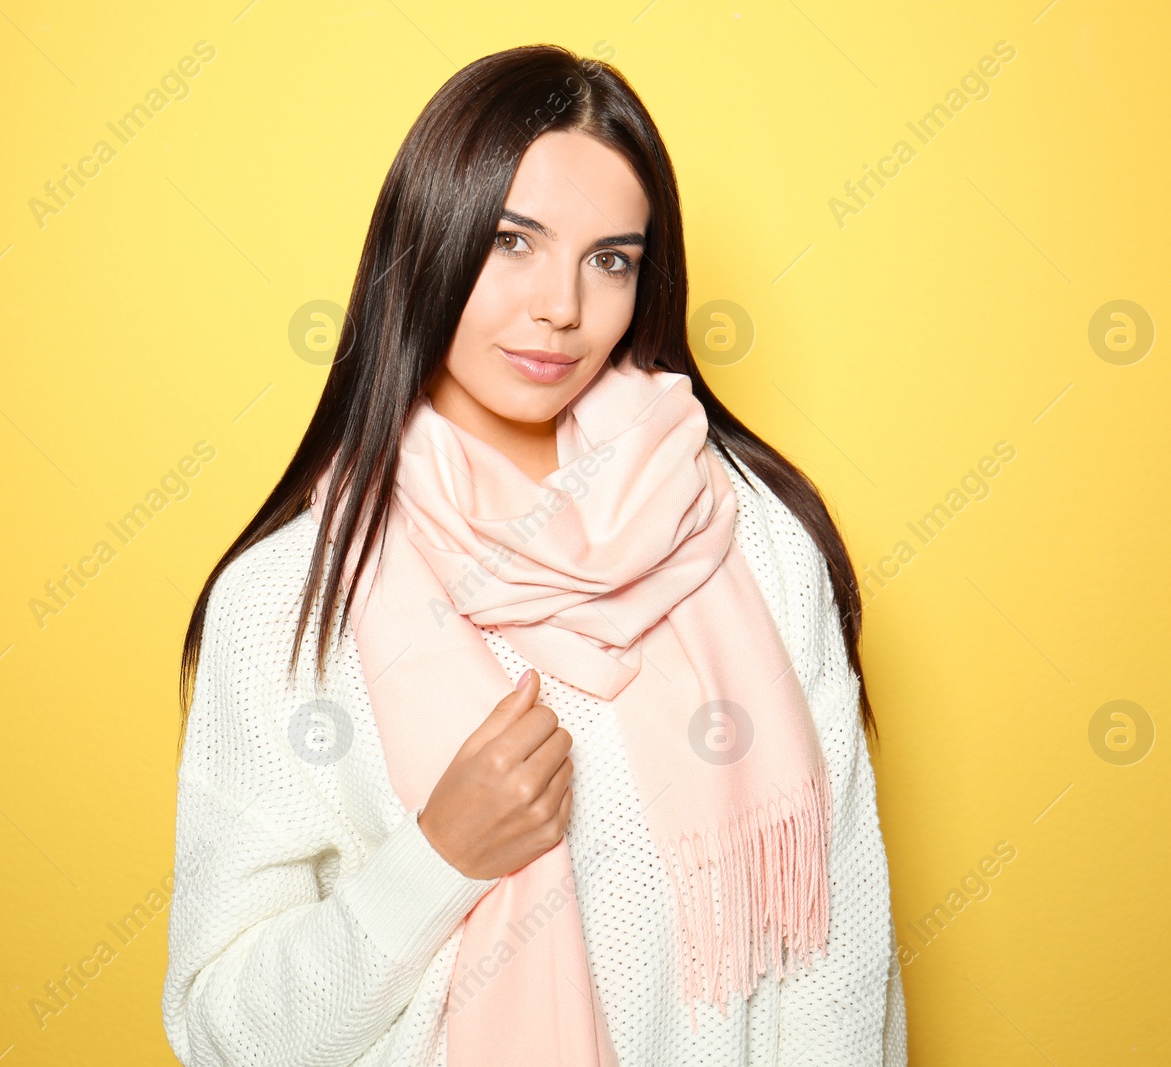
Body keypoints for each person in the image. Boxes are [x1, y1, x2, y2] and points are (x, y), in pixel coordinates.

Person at [162, 43, 905, 1067]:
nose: (562, 304)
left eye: (611, 258)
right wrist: (433, 861)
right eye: (513, 241)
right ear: (428, 240)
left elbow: (837, 956)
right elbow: (222, 1028)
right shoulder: (288, 599)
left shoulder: (744, 535)